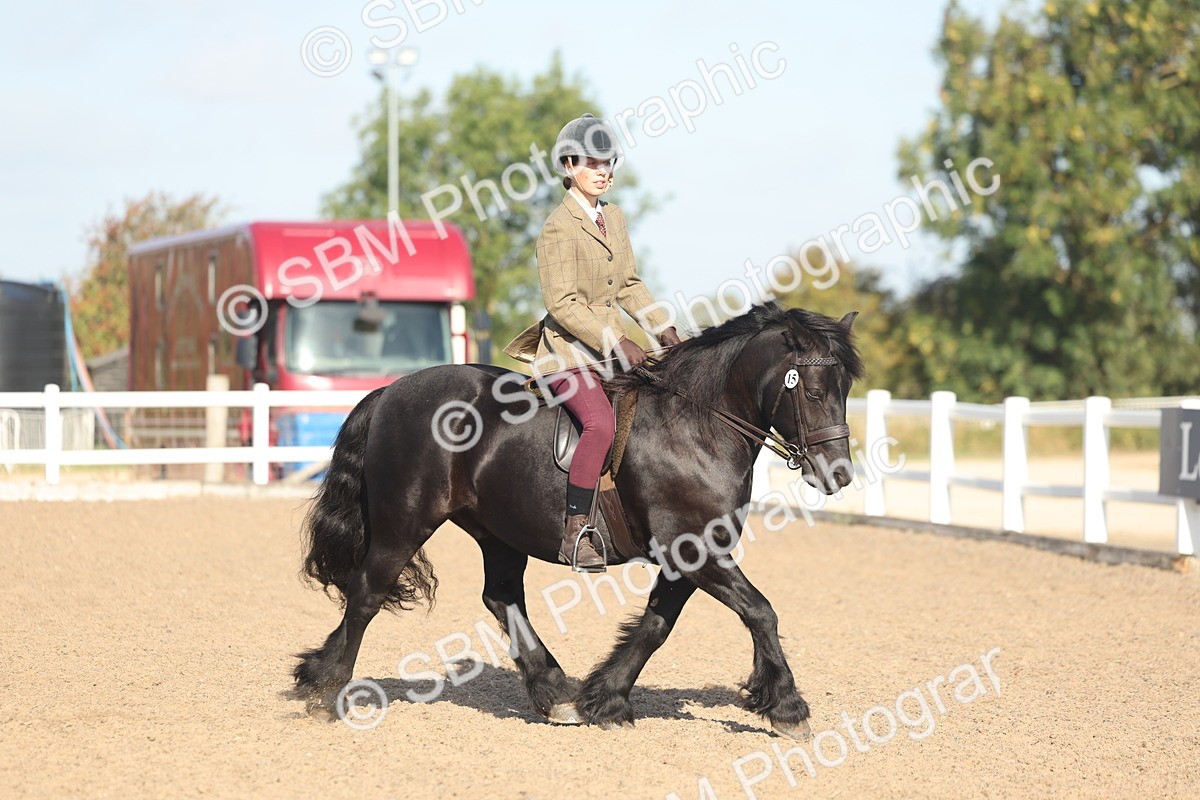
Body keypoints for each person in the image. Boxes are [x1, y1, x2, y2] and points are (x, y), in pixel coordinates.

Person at [504, 113, 682, 572]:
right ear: (568, 166)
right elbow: (562, 305)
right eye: (592, 163)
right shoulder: (557, 229)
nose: (604, 172)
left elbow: (628, 285)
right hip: (566, 355)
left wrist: (663, 329)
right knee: (601, 424)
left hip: (609, 352)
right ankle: (576, 530)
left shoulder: (614, 218)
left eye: (609, 163)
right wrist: (616, 340)